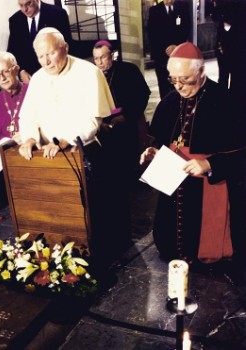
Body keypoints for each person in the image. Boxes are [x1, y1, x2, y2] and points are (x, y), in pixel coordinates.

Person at [17, 27, 118, 272]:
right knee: (57, 210)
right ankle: (62, 252)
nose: (46, 61)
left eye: (50, 54)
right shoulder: (39, 78)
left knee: (93, 214)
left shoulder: (88, 72)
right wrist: (29, 138)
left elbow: (93, 122)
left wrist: (64, 140)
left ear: (65, 48)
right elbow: (28, 115)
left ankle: (97, 259)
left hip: (83, 154)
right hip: (48, 158)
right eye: (41, 57)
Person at [139, 42, 244, 268]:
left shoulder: (226, 102)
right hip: (174, 183)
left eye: (185, 79)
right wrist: (155, 150)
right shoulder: (169, 102)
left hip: (209, 186)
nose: (179, 86)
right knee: (171, 242)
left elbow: (241, 152)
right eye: (173, 79)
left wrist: (209, 163)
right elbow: (162, 137)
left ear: (201, 71)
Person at [92, 40, 151, 250]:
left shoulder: (128, 70)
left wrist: (125, 116)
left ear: (112, 55)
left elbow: (143, 95)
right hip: (103, 129)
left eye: (103, 57)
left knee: (126, 168)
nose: (99, 62)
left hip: (126, 126)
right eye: (96, 58)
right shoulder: (92, 76)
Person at [0, 51, 28, 172]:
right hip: (11, 164)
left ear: (16, 69)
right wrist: (9, 141)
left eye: (5, 71)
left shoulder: (33, 91)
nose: (2, 78)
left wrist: (27, 134)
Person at [7, 0, 72, 84]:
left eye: (28, 4)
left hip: (56, 73)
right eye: (21, 5)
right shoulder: (15, 20)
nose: (25, 9)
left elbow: (67, 47)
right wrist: (21, 71)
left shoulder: (57, 14)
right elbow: (12, 51)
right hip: (30, 78)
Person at [148, 0, 190, 99]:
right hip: (161, 54)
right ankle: (165, 106)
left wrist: (176, 46)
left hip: (178, 52)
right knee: (163, 83)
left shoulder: (182, 7)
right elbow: (152, 33)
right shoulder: (154, 10)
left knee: (179, 81)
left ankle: (180, 105)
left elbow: (186, 28)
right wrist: (165, 48)